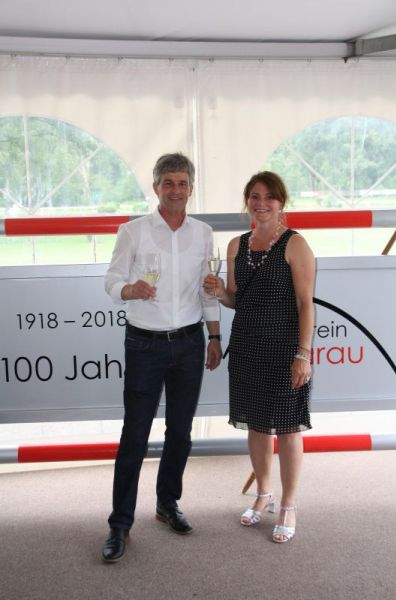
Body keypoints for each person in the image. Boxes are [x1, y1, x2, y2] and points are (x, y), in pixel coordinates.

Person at [102, 153, 222, 562]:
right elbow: (111, 280)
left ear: (191, 188)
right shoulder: (132, 231)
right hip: (144, 344)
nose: (175, 190)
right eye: (168, 182)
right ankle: (120, 523)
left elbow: (208, 289)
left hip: (189, 342)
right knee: (135, 435)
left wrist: (214, 335)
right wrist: (128, 290)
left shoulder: (203, 233)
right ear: (155, 187)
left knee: (181, 432)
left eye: (182, 183)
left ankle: (167, 504)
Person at [204, 171, 315, 543]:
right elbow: (237, 300)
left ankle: (289, 504)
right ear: (247, 201)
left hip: (284, 348)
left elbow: (306, 304)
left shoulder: (295, 244)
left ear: (282, 202)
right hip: (247, 346)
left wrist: (303, 354)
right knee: (255, 425)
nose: (261, 203)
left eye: (269, 196)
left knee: (288, 428)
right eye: (255, 195)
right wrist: (220, 292)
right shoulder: (236, 245)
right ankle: (263, 493)